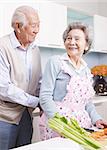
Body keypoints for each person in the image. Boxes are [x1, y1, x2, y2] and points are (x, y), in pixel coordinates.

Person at [39, 22, 107, 140]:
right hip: (60, 125)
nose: (72, 42)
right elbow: (45, 97)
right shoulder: (56, 62)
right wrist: (61, 124)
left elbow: (87, 103)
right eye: (69, 38)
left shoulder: (86, 70)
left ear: (86, 45)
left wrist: (97, 119)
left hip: (82, 125)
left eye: (77, 39)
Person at [0, 5, 42, 149]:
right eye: (33, 25)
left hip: (26, 115)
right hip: (5, 118)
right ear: (18, 26)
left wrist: (47, 99)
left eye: (38, 25)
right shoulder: (2, 46)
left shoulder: (35, 49)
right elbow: (4, 88)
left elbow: (38, 82)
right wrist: (37, 101)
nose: (37, 30)